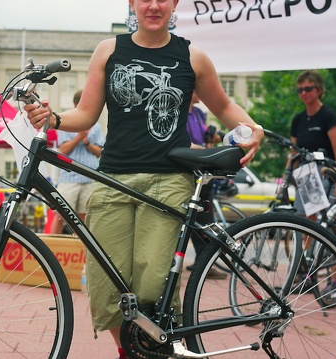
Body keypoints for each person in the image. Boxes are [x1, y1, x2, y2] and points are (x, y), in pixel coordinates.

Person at [24, 1, 263, 357]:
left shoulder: (193, 57)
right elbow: (87, 113)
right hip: (112, 179)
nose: (154, 5)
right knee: (107, 287)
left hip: (169, 182)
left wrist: (253, 128)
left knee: (153, 288)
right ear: (132, 3)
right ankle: (130, 352)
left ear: (175, 3)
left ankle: (152, 350)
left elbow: (225, 106)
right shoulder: (109, 51)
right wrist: (53, 118)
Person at [289, 70, 336, 213]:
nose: (303, 93)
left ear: (319, 90)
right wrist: (286, 178)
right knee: (302, 220)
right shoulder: (298, 119)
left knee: (323, 223)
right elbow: (293, 153)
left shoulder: (328, 116)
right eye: (300, 90)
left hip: (325, 173)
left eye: (308, 89)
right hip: (305, 173)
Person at [50, 90, 105, 234]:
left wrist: (87, 143)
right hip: (69, 178)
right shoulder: (64, 121)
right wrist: (79, 137)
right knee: (61, 215)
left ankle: (79, 251)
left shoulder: (96, 126)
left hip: (89, 177)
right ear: (77, 104)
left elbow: (100, 152)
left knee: (84, 217)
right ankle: (51, 247)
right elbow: (63, 149)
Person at [185, 90, 226, 278]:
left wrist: (213, 136)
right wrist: (203, 151)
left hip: (202, 170)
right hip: (186, 170)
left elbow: (203, 136)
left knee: (204, 220)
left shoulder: (199, 113)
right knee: (186, 219)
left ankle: (203, 264)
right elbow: (182, 142)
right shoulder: (180, 109)